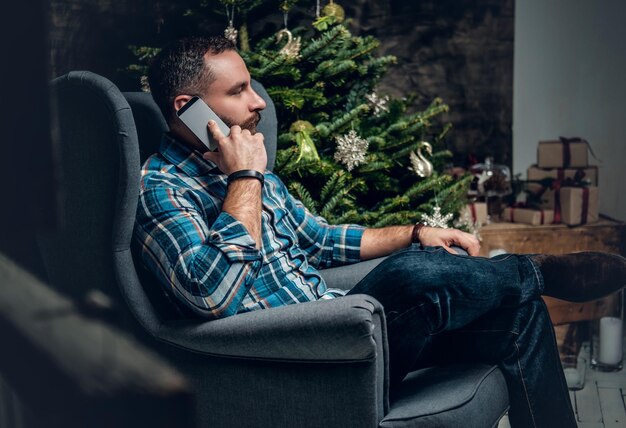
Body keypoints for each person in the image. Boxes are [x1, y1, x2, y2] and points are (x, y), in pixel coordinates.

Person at [134, 36, 625, 428]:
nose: (259, 102)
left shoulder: (249, 170)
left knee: (520, 315)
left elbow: (321, 240)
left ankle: (529, 282)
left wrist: (415, 231)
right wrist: (245, 178)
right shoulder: (162, 190)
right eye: (238, 91)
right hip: (296, 356)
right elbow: (211, 295)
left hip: (349, 338)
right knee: (412, 277)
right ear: (186, 108)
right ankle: (535, 271)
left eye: (251, 86)